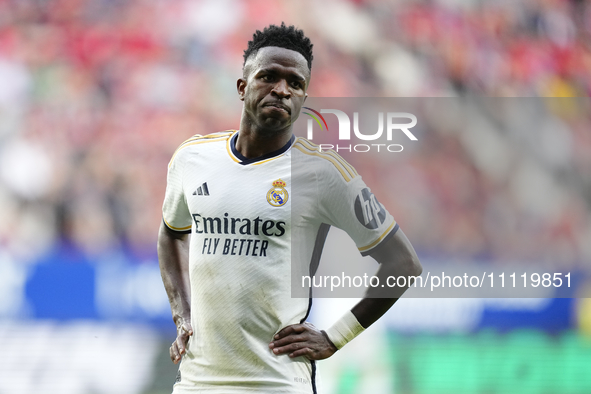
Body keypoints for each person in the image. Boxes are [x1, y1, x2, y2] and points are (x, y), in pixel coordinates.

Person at [157, 23, 422, 394]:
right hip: (197, 383)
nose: (282, 90)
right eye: (269, 77)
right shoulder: (192, 158)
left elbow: (404, 263)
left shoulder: (325, 173)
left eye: (295, 84)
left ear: (303, 98)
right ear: (242, 87)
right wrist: (181, 313)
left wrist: (335, 338)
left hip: (276, 382)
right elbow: (171, 233)